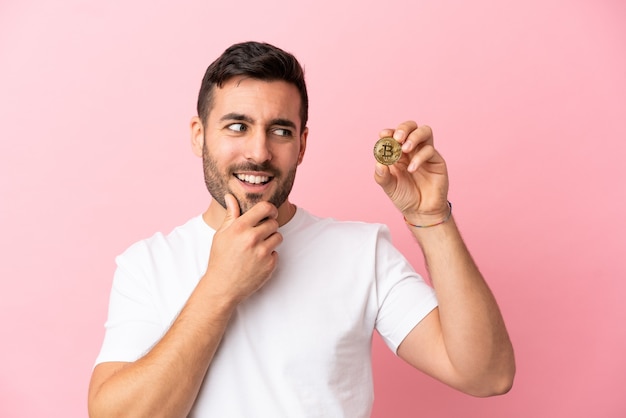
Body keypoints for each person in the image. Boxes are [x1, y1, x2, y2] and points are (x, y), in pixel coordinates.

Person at [88, 41, 515, 418]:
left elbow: (487, 374)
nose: (259, 152)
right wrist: (219, 287)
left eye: (280, 131)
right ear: (199, 136)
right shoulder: (147, 265)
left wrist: (430, 217)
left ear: (302, 145)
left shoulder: (361, 253)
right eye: (237, 126)